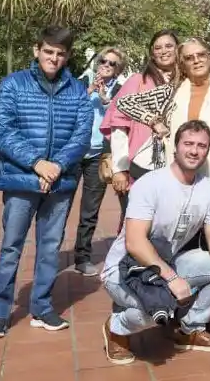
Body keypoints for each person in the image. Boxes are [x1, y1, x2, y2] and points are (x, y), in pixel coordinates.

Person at [0, 27, 94, 339]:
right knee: (10, 247)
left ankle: (42, 307)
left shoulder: (77, 91)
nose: (54, 58)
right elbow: (3, 131)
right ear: (37, 50)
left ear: (67, 56)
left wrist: (56, 166)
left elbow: (81, 136)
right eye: (48, 51)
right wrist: (37, 164)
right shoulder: (13, 84)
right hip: (21, 180)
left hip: (60, 183)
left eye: (60, 53)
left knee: (49, 248)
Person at [99, 120, 210, 365]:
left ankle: (190, 328)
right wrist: (172, 279)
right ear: (175, 148)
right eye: (188, 144)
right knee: (154, 312)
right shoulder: (150, 183)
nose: (194, 151)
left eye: (201, 146)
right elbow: (134, 242)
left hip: (166, 266)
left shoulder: (208, 190)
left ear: (208, 151)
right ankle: (116, 327)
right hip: (124, 268)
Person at [114, 38, 210, 216]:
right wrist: (153, 120)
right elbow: (124, 102)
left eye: (201, 55)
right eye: (189, 57)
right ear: (182, 64)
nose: (196, 60)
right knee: (175, 236)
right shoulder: (171, 92)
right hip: (177, 173)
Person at [101, 30, 180, 192]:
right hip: (141, 163)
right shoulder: (137, 81)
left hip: (178, 164)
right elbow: (118, 125)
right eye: (158, 48)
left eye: (169, 46)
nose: (164, 51)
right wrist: (120, 169)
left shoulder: (186, 82)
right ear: (152, 53)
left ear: (178, 49)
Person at [72, 46, 125, 276]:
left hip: (99, 156)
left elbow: (121, 120)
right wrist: (89, 91)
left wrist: (107, 102)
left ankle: (82, 257)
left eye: (112, 63)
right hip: (73, 153)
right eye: (103, 60)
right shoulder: (81, 82)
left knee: (90, 210)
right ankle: (50, 256)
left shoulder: (121, 90)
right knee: (59, 207)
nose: (106, 65)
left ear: (118, 69)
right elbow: (68, 108)